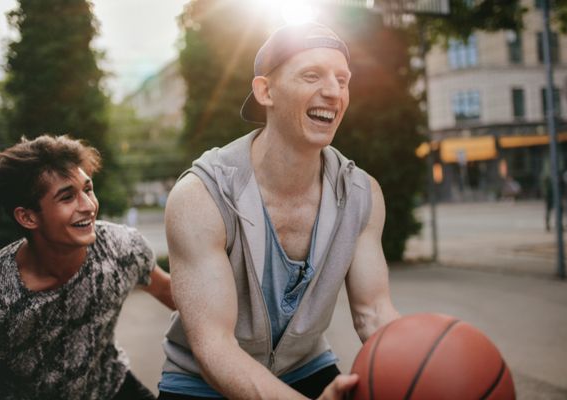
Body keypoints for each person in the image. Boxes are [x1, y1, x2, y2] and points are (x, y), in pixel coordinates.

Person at [159, 22, 400, 400]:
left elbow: (373, 313)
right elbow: (214, 347)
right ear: (265, 90)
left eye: (342, 79)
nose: (333, 92)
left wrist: (419, 370)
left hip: (304, 366)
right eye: (311, 76)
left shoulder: (360, 194)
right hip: (202, 381)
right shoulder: (201, 196)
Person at [0, 135, 176, 400]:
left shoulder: (121, 248)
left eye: (88, 189)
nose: (89, 206)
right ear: (28, 216)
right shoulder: (4, 292)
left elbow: (177, 296)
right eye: (67, 197)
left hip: (113, 387)